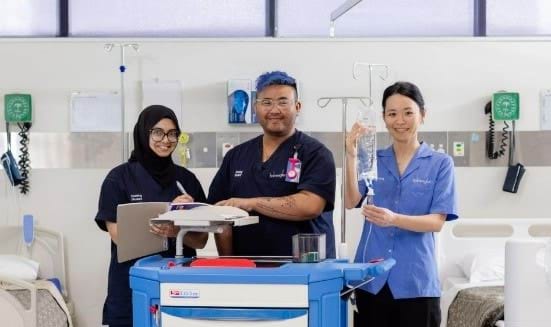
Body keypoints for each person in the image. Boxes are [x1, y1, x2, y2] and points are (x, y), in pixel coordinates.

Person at [344, 81, 458, 327]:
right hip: (372, 279)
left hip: (416, 282)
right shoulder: (373, 159)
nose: (400, 120)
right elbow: (351, 200)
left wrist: (393, 219)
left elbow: (436, 223)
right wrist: (351, 156)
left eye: (408, 112)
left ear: (422, 115)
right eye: (392, 114)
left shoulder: (440, 163)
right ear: (384, 119)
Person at [95, 105, 208, 327]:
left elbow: (201, 240)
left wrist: (178, 231)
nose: (166, 139)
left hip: (181, 286)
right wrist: (168, 215)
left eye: (173, 133)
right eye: (158, 132)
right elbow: (120, 237)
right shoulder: (119, 179)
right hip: (131, 285)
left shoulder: (187, 180)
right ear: (143, 133)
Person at [208, 71, 336, 257]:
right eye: (266, 102)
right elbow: (218, 215)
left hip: (304, 269)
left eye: (283, 102)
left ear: (297, 106)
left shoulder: (316, 154)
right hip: (249, 271)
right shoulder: (236, 156)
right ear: (255, 107)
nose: (274, 110)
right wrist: (229, 264)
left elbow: (310, 205)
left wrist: (251, 203)